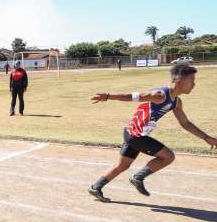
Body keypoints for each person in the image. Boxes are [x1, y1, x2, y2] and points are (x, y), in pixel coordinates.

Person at [88, 64, 217, 203]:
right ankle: (138, 177)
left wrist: (206, 138)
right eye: (191, 80)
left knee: (123, 165)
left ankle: (96, 187)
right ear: (179, 81)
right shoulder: (160, 95)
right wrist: (108, 96)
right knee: (168, 156)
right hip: (135, 135)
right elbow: (132, 96)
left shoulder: (177, 102)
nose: (194, 84)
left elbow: (185, 123)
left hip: (134, 133)